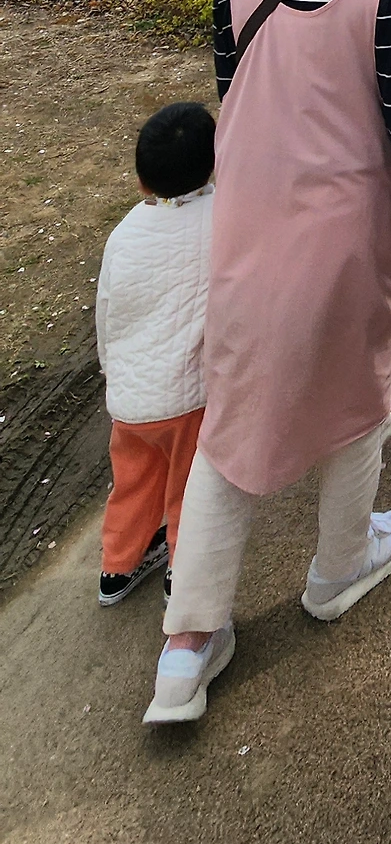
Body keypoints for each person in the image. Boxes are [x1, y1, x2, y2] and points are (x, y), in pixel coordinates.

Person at [144, 0, 391, 728]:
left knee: (232, 424)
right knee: (358, 402)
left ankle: (187, 645)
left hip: (247, 233)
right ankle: (337, 566)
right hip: (343, 238)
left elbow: (234, 91)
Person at [96, 103, 216, 607]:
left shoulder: (123, 233)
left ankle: (117, 567)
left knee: (133, 482)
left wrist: (113, 372)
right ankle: (182, 574)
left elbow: (106, 310)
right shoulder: (223, 217)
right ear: (214, 164)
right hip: (187, 398)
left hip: (130, 401)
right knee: (189, 488)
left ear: (141, 180)